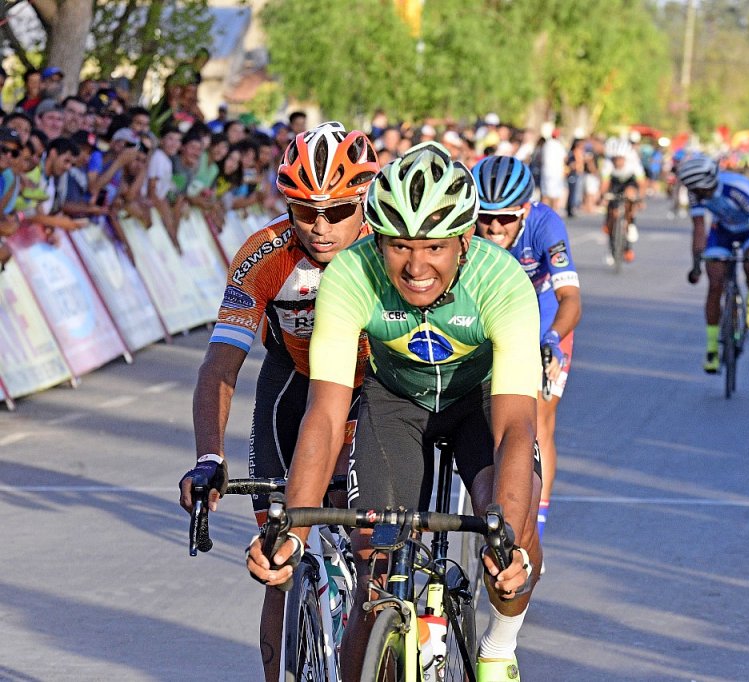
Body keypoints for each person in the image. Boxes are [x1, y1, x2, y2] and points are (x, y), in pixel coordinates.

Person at [246, 142, 543, 682]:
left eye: (434, 247)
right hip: (395, 403)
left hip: (479, 401)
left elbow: (515, 430)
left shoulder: (502, 282)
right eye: (399, 245)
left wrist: (509, 540)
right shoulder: (352, 273)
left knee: (508, 533)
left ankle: (499, 646)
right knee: (375, 570)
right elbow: (325, 415)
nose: (416, 266)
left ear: (464, 240)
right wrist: (295, 530)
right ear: (377, 239)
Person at [178, 121, 378, 682]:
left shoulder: (387, 249)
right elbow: (220, 365)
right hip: (293, 382)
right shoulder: (264, 255)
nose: (320, 227)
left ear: (364, 201)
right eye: (304, 210)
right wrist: (209, 457)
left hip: (372, 389)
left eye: (338, 211)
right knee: (276, 559)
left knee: (374, 554)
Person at [471, 154, 581, 555]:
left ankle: (536, 526)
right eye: (485, 217)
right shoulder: (467, 226)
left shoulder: (545, 224)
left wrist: (551, 339)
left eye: (505, 218)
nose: (494, 227)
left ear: (524, 211)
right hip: (489, 316)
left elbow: (571, 299)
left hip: (541, 320)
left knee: (537, 422)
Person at [679, 155, 749, 373]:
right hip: (722, 231)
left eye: (699, 191)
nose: (696, 195)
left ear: (708, 183)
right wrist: (697, 264)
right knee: (715, 284)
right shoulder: (695, 192)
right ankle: (712, 348)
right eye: (693, 191)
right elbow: (699, 229)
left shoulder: (737, 191)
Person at [599, 136, 644, 265]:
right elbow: (604, 183)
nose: (618, 162)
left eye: (620, 159)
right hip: (615, 183)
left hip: (629, 182)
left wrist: (640, 199)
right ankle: (612, 245)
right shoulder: (608, 164)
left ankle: (631, 224)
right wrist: (603, 197)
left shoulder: (633, 161)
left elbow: (641, 183)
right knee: (612, 212)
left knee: (630, 194)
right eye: (615, 159)